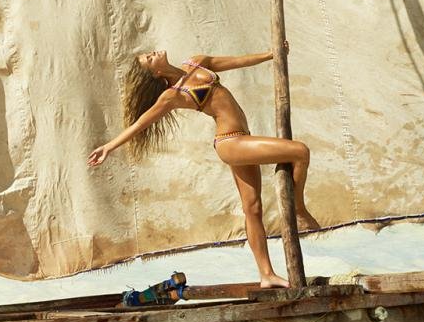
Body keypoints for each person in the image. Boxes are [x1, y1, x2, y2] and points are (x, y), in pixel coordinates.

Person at [87, 47, 318, 289]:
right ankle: (298, 208)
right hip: (230, 142)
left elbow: (237, 60)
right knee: (300, 151)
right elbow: (140, 124)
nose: (152, 53)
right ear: (155, 73)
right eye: (149, 59)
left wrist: (270, 55)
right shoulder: (172, 95)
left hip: (243, 136)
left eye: (149, 53)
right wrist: (108, 147)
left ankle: (267, 275)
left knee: (253, 208)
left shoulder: (195, 63)